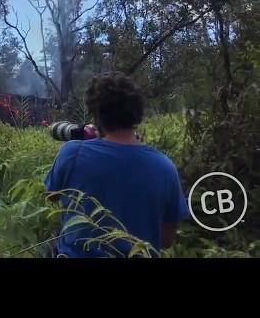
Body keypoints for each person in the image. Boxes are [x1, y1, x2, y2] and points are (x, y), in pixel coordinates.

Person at [44, 72, 190, 258]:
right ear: (136, 114)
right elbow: (167, 240)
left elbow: (51, 196)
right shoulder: (165, 166)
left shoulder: (73, 153)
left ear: (97, 115)